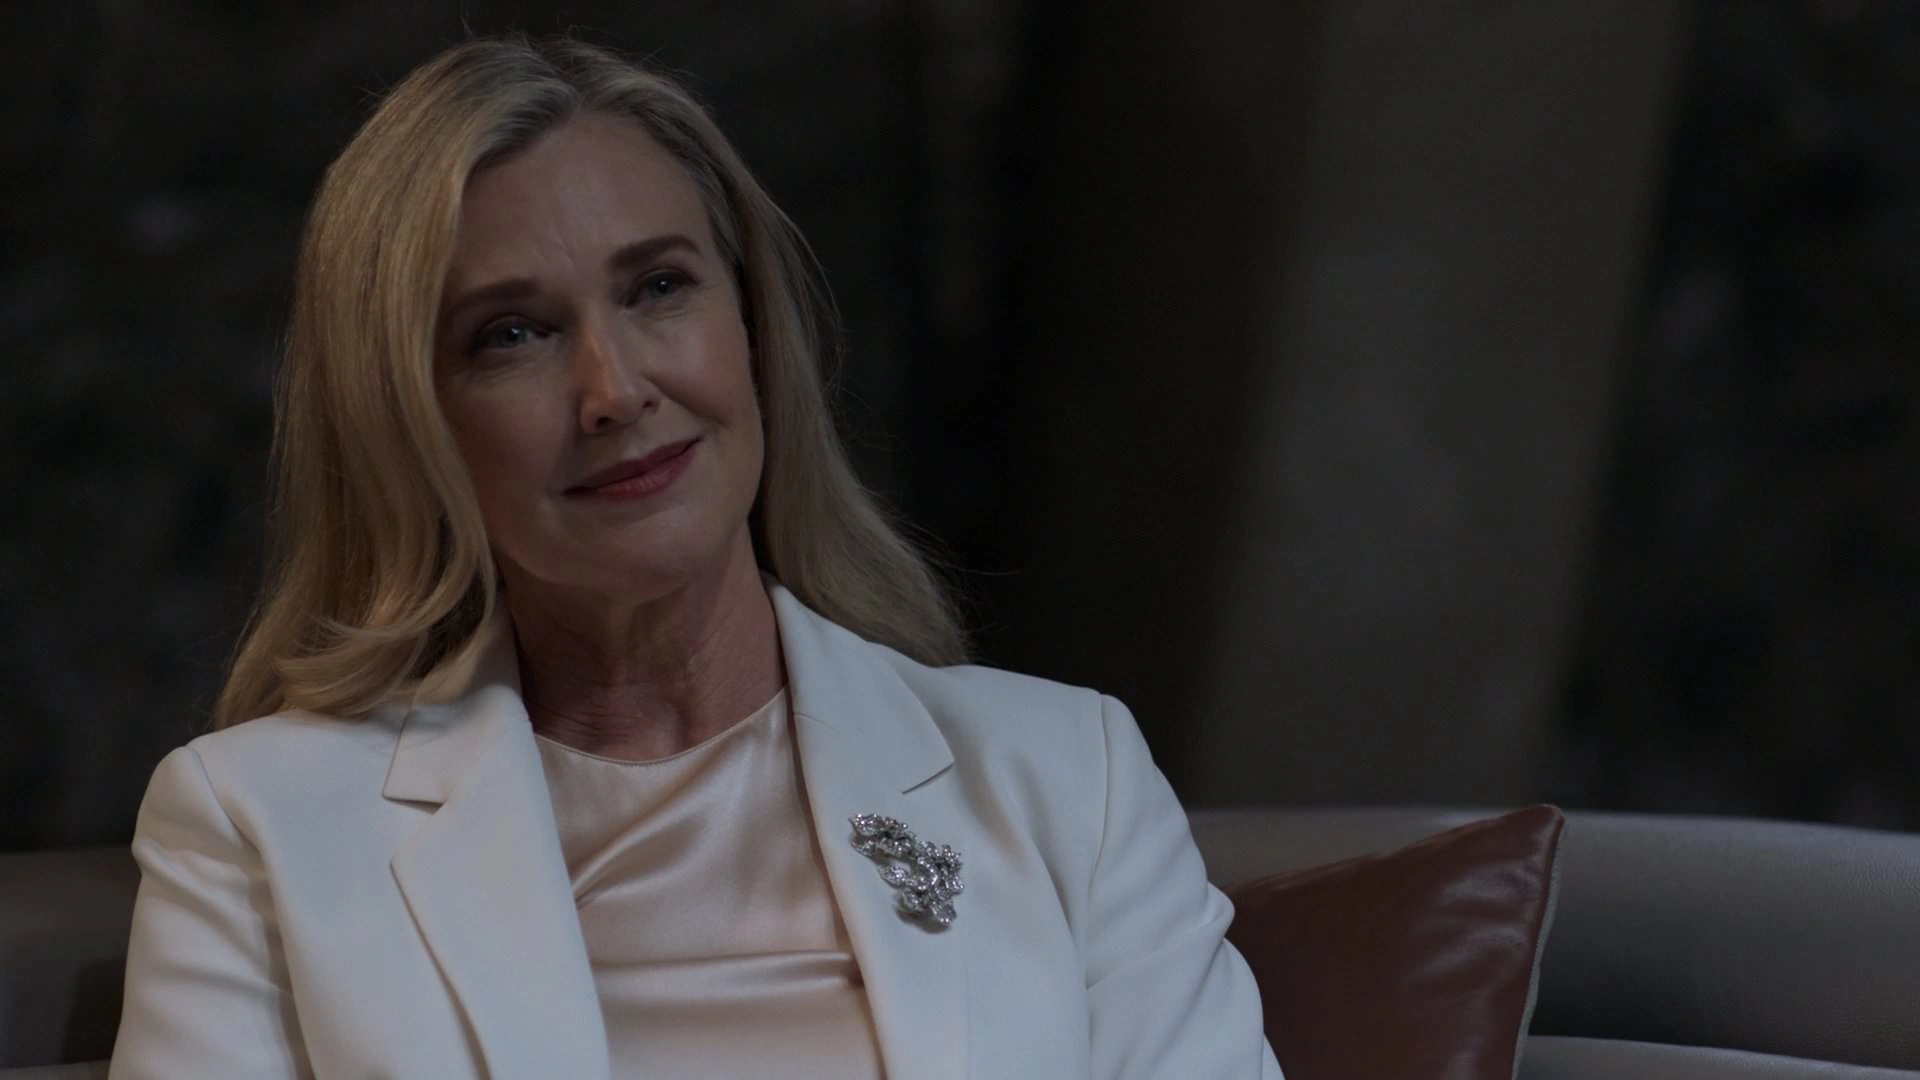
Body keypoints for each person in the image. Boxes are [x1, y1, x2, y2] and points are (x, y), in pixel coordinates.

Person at [108, 33, 1282, 1080]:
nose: (614, 391)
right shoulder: (260, 824)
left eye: (660, 287)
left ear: (753, 330)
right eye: (511, 334)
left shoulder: (1068, 778)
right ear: (408, 422)